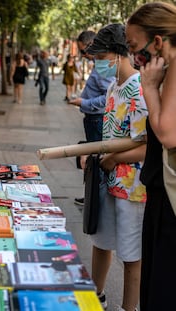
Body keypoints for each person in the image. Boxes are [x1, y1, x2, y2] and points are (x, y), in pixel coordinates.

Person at [85, 23, 148, 311]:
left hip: (134, 188)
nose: (98, 62)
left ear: (119, 53)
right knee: (102, 240)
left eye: (101, 56)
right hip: (109, 180)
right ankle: (94, 296)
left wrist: (112, 159)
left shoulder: (139, 89)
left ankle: (129, 308)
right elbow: (112, 135)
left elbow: (148, 146)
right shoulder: (114, 86)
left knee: (132, 255)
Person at [126, 3, 176, 310]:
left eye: (134, 45)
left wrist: (148, 86)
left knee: (162, 290)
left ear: (156, 42)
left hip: (170, 200)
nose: (134, 55)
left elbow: (167, 133)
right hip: (163, 194)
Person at [68, 31, 115, 206]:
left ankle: (95, 197)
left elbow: (108, 96)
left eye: (83, 51)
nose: (84, 55)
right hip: (93, 119)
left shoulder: (104, 68)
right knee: (91, 159)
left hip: (97, 118)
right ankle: (91, 195)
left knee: (95, 160)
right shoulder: (98, 66)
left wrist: (84, 103)